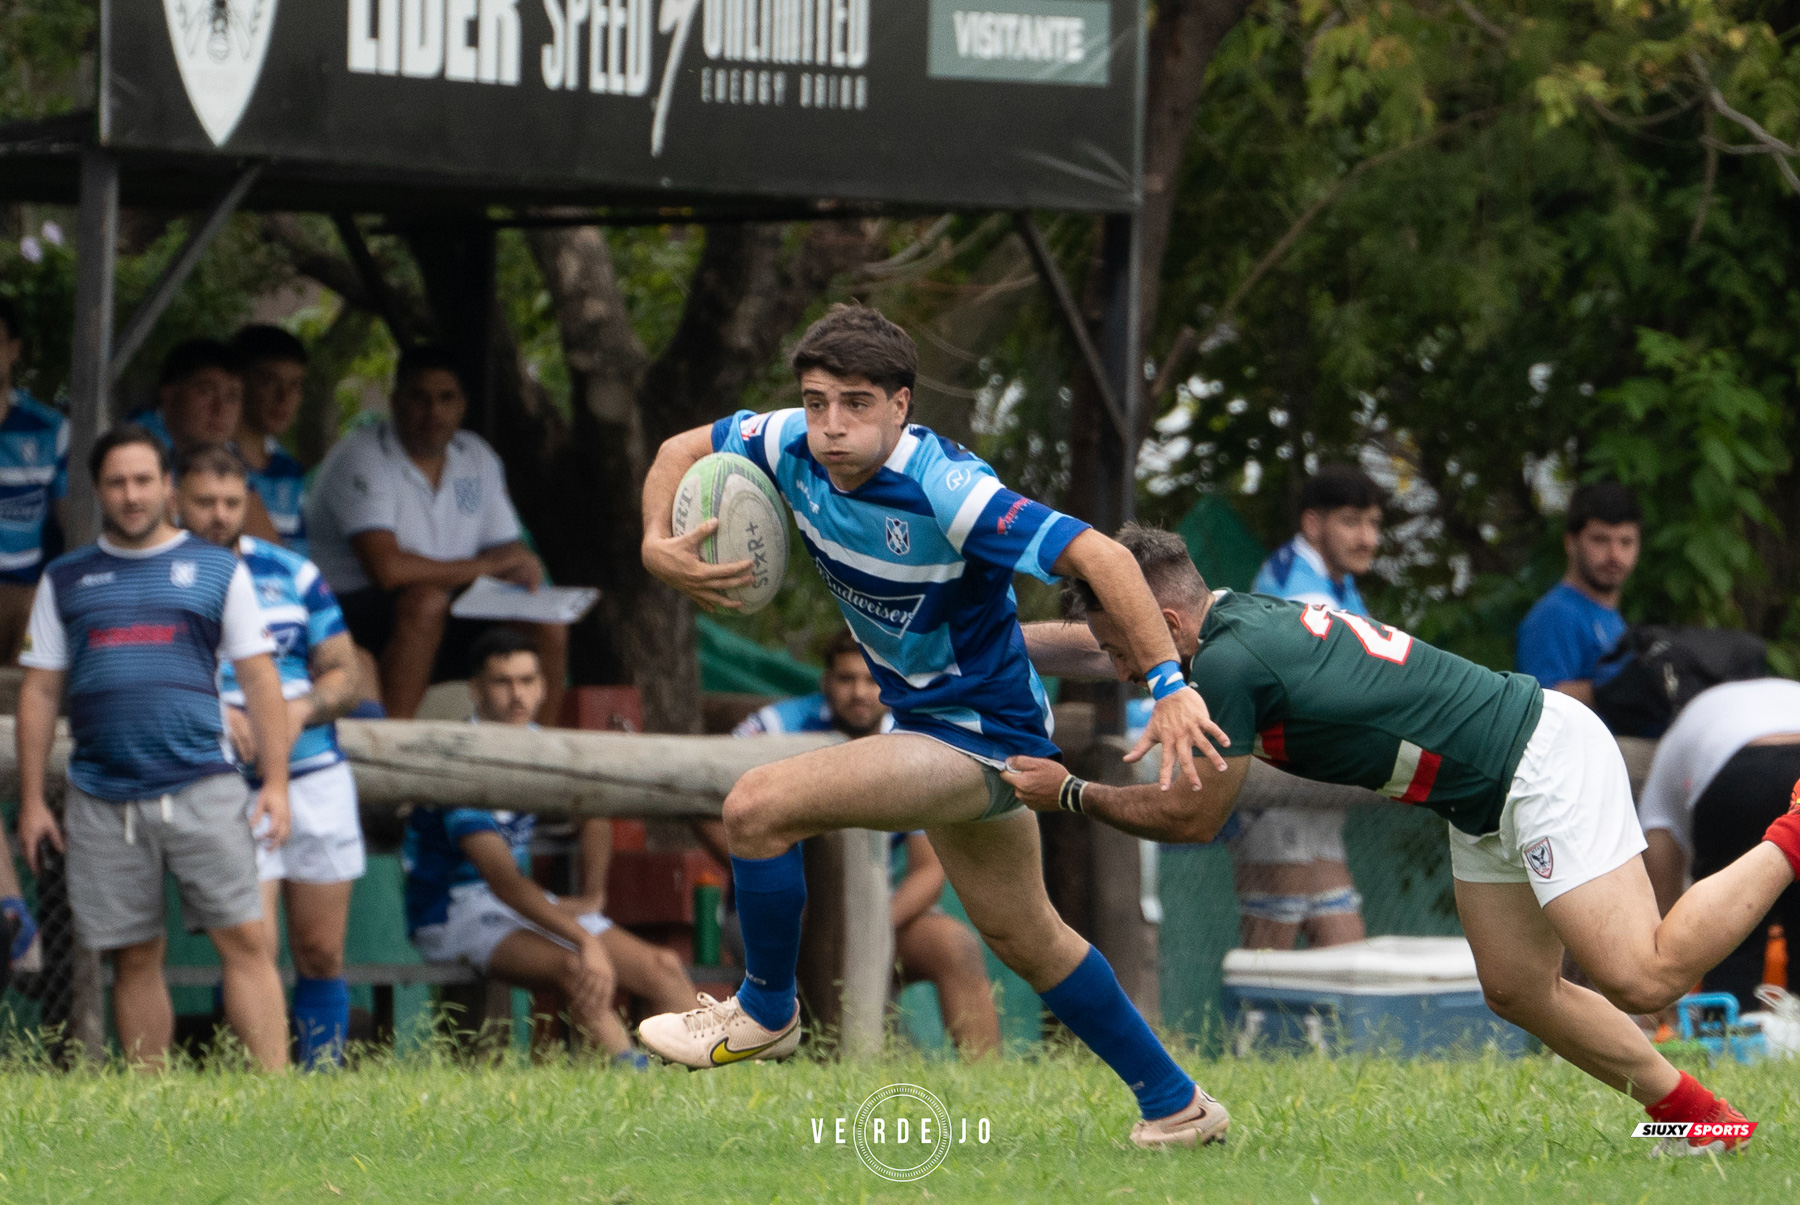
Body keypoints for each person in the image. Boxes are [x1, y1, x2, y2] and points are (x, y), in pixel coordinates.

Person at [634, 305, 1231, 1149]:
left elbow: (1101, 556)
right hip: (929, 721)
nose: (832, 424)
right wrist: (656, 541)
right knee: (1030, 938)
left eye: (856, 403)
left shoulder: (948, 489)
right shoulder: (787, 441)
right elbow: (674, 452)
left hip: (980, 735)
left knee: (755, 804)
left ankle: (766, 1008)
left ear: (901, 405)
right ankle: (1179, 1103)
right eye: (816, 401)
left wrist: (1167, 684)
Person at [1011, 523, 1800, 1157]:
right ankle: (1700, 1116)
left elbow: (1193, 818)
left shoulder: (1227, 664)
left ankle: (1793, 831)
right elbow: (1092, 642)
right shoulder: (1231, 616)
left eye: (1124, 651)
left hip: (1535, 759)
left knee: (1645, 976)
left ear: (1167, 625)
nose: (1121, 670)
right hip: (1484, 789)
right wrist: (987, 639)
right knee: (1519, 988)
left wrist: (1072, 792)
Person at [13, 425, 294, 1070]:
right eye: (117, 482)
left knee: (246, 940)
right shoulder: (65, 578)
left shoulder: (220, 569)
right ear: (97, 492)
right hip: (101, 793)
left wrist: (275, 783)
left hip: (204, 783)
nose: (131, 495)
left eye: (144, 480)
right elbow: (39, 694)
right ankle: (149, 1102)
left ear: (168, 487)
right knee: (133, 954)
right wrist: (31, 800)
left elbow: (259, 679)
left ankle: (281, 1097)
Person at [401, 628, 695, 1064]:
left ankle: (706, 1083)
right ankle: (638, 1084)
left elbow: (593, 811)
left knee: (664, 968)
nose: (516, 695)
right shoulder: (460, 757)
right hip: (451, 912)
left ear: (542, 687)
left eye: (526, 680)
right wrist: (584, 938)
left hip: (521, 902)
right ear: (476, 691)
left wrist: (594, 895)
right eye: (502, 682)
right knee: (576, 965)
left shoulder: (546, 745)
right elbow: (501, 881)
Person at [719, 628, 1002, 1059]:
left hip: (879, 910)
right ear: (826, 682)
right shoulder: (776, 727)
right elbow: (707, 801)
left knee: (954, 945)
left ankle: (993, 1090)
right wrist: (765, 878)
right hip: (779, 911)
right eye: (847, 679)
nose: (860, 693)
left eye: (873, 681)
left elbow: (930, 870)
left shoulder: (911, 739)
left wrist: (868, 926)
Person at [176, 445, 366, 1067]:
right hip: (218, 780)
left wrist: (304, 707)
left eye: (232, 502)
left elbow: (345, 670)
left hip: (315, 772)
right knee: (251, 942)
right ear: (177, 498)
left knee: (321, 951)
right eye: (204, 501)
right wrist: (218, 712)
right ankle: (263, 1082)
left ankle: (323, 1080)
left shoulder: (293, 573)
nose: (219, 515)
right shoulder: (162, 577)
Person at [304, 345, 566, 722]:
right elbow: (388, 569)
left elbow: (505, 545)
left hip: (452, 603)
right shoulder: (362, 456)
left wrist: (519, 566)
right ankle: (395, 752)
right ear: (394, 402)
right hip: (354, 614)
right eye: (419, 397)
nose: (433, 412)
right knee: (425, 601)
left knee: (548, 621)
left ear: (463, 405)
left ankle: (545, 753)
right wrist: (489, 566)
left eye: (446, 398)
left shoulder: (474, 456)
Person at [1239, 465, 1382, 950]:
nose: (1367, 538)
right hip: (1276, 778)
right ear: (1312, 524)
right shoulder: (1303, 587)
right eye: (1351, 522)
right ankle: (1243, 1032)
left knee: (1342, 941)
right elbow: (1356, 688)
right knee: (1269, 944)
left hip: (1311, 778)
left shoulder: (1337, 581)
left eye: (1373, 523)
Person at [1637, 678, 1800, 1011]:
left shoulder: (1680, 735)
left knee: (1732, 924)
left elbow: (1659, 859)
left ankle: (1726, 1032)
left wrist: (1658, 962)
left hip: (1737, 771)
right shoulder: (1783, 690)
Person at [131, 338, 283, 543]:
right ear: (170, 396)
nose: (219, 408)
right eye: (205, 392)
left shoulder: (225, 453)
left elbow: (267, 544)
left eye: (232, 397)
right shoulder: (135, 446)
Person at [1516, 483, 1641, 704]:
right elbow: (1543, 706)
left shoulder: (1611, 618)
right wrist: (1625, 689)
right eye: (1600, 540)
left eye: (1626, 542)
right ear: (1571, 543)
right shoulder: (1555, 615)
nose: (1615, 555)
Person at [0, 295, 69, 663]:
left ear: (13, 350)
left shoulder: (49, 429)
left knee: (35, 605)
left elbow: (74, 522)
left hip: (24, 602)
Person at [230, 325, 312, 553]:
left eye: (295, 385)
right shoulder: (210, 458)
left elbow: (300, 559)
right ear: (239, 382)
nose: (283, 397)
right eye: (269, 381)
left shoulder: (290, 470)